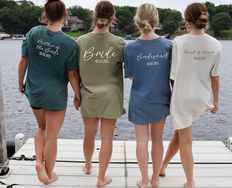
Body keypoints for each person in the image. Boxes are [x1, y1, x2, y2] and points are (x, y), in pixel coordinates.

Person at [18, 0, 80, 184]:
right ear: (65, 15)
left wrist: (20, 83)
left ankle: (38, 162)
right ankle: (49, 174)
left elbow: (23, 61)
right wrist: (78, 94)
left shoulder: (33, 33)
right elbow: (72, 74)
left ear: (45, 14)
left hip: (34, 92)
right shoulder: (70, 44)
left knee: (42, 127)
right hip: (55, 96)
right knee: (51, 136)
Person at [160, 3, 222, 188]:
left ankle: (190, 182)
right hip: (201, 97)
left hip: (182, 97)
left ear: (187, 21)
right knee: (180, 135)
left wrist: (173, 99)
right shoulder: (216, 44)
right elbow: (215, 77)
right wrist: (216, 101)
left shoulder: (179, 42)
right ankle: (163, 165)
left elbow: (172, 76)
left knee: (186, 140)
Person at [76, 1, 125, 187]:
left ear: (94, 15)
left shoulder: (81, 41)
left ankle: (88, 166)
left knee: (89, 134)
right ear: (113, 17)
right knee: (107, 139)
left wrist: (76, 93)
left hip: (88, 94)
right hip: (111, 96)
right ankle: (101, 178)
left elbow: (73, 72)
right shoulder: (119, 43)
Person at [124, 4, 172, 188]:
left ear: (137, 21)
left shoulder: (130, 48)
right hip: (161, 99)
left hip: (140, 100)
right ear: (156, 20)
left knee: (142, 141)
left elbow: (130, 75)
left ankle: (144, 181)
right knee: (158, 139)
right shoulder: (169, 46)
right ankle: (156, 180)